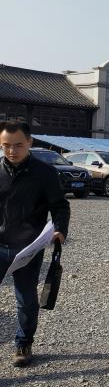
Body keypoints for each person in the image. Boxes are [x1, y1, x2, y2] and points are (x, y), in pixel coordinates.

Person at [0, 121, 70, 367]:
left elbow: (60, 206)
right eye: (6, 145)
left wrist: (59, 230)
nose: (12, 151)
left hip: (27, 249)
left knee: (26, 300)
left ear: (29, 142)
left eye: (18, 145)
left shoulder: (45, 173)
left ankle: (23, 343)